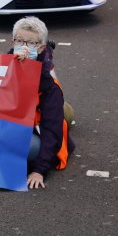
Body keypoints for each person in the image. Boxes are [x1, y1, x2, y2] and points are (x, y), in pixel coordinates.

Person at [9, 16, 74, 190]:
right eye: (20, 41)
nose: (24, 47)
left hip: (34, 127)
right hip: (14, 123)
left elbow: (51, 129)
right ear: (13, 42)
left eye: (31, 43)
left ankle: (66, 112)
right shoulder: (1, 66)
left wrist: (39, 170)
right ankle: (66, 111)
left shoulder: (48, 84)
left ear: (41, 48)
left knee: (30, 147)